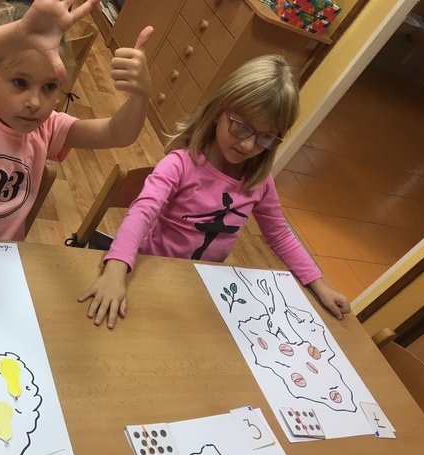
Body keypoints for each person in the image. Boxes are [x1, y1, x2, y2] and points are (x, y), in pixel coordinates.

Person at [78, 54, 351, 329]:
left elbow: (279, 234)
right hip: (150, 272)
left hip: (198, 286)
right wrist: (116, 269)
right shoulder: (180, 164)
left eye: (265, 137)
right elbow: (143, 210)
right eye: (241, 127)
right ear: (219, 111)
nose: (248, 145)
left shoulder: (259, 182)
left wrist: (319, 284)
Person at [0, 0, 153, 241]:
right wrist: (16, 35)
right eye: (20, 83)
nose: (35, 102)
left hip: (4, 255)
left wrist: (140, 96)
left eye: (49, 87)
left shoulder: (47, 128)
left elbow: (116, 133)